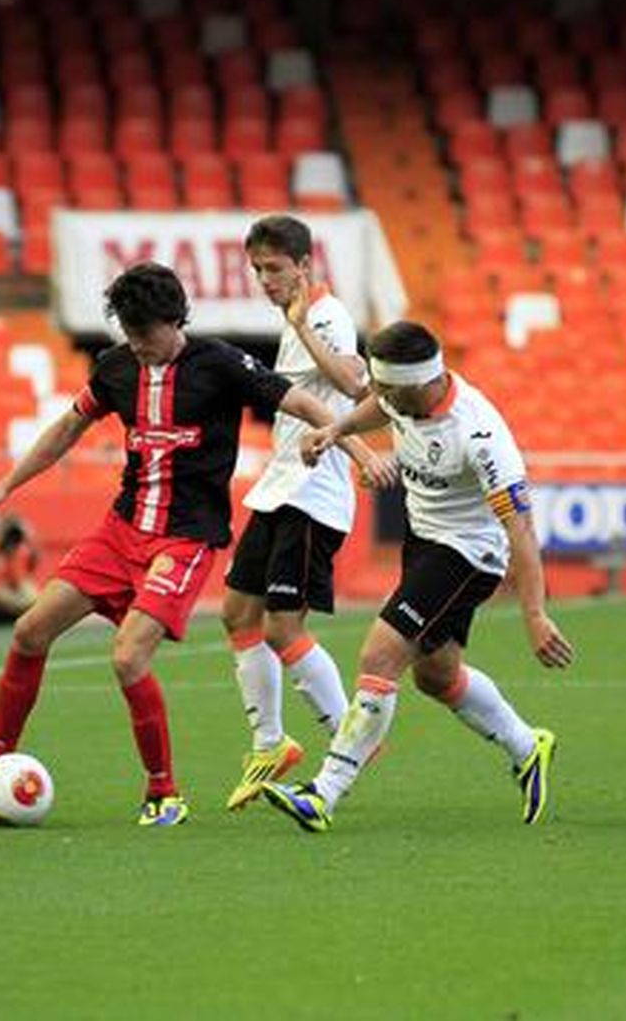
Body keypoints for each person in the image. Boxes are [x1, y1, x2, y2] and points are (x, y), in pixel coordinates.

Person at [0, 262, 391, 827]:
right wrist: (5, 487)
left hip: (185, 539)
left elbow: (307, 404)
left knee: (128, 657)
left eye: (145, 332)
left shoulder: (219, 364)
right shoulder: (116, 367)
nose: (137, 344)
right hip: (120, 530)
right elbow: (67, 428)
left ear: (175, 320)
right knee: (29, 630)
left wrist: (358, 451)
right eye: (128, 332)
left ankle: (164, 793)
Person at [258, 320, 575, 833]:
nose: (379, 396)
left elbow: (520, 529)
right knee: (436, 675)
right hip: (423, 538)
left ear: (422, 382)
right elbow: (377, 407)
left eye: (388, 389)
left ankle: (323, 793)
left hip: (468, 553)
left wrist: (535, 615)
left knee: (379, 655)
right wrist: (336, 431)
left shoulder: (480, 436)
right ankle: (527, 746)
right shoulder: (401, 394)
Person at [220, 215, 387, 811]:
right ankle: (270, 743)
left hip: (313, 494)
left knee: (281, 628)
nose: (265, 279)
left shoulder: (326, 315)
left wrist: (301, 328)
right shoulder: (296, 316)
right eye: (257, 269)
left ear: (303, 265)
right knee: (237, 613)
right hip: (280, 485)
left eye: (274, 268)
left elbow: (354, 382)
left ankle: (353, 738)